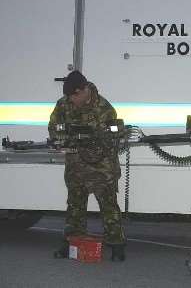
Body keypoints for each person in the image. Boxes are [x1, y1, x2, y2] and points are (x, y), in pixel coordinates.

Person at [49, 70, 126, 261]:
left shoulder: (104, 108)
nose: (72, 100)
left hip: (102, 167)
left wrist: (98, 139)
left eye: (75, 95)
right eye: (69, 96)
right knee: (74, 207)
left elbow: (116, 135)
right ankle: (71, 244)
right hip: (76, 166)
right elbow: (54, 127)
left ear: (84, 90)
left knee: (109, 208)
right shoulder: (63, 104)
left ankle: (116, 246)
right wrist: (63, 140)